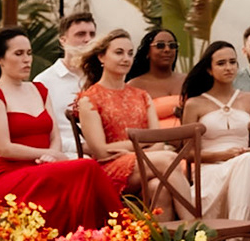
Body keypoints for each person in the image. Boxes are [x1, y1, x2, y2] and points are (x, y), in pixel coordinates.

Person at [0, 28, 121, 232]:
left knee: (85, 170)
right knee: (87, 167)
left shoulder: (39, 89)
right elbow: (3, 148)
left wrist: (53, 156)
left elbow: (54, 134)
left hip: (45, 167)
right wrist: (47, 154)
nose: (26, 60)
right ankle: (121, 231)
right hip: (11, 176)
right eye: (18, 54)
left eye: (28, 53)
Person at [73, 29, 182, 211]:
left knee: (158, 188)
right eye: (119, 53)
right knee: (169, 158)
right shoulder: (89, 98)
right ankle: (196, 224)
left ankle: (164, 239)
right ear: (101, 57)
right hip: (109, 170)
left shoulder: (141, 95)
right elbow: (101, 152)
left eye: (130, 53)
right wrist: (141, 145)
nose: (126, 58)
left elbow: (158, 142)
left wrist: (132, 149)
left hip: (143, 163)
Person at [179, 41, 250, 219]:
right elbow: (187, 153)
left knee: (249, 161)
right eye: (221, 63)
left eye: (232, 62)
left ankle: (235, 238)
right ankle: (238, 233)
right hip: (210, 171)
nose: (228, 68)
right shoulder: (195, 104)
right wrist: (223, 155)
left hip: (245, 167)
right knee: (247, 162)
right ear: (209, 69)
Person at [34, 11, 96, 157]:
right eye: (80, 34)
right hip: (67, 155)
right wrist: (81, 146)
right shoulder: (44, 82)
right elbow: (42, 133)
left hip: (106, 151)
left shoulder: (101, 77)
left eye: (92, 34)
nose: (88, 39)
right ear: (63, 40)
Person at [127, 28, 186, 125]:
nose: (167, 49)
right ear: (147, 52)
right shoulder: (134, 86)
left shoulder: (188, 81)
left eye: (172, 45)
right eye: (160, 45)